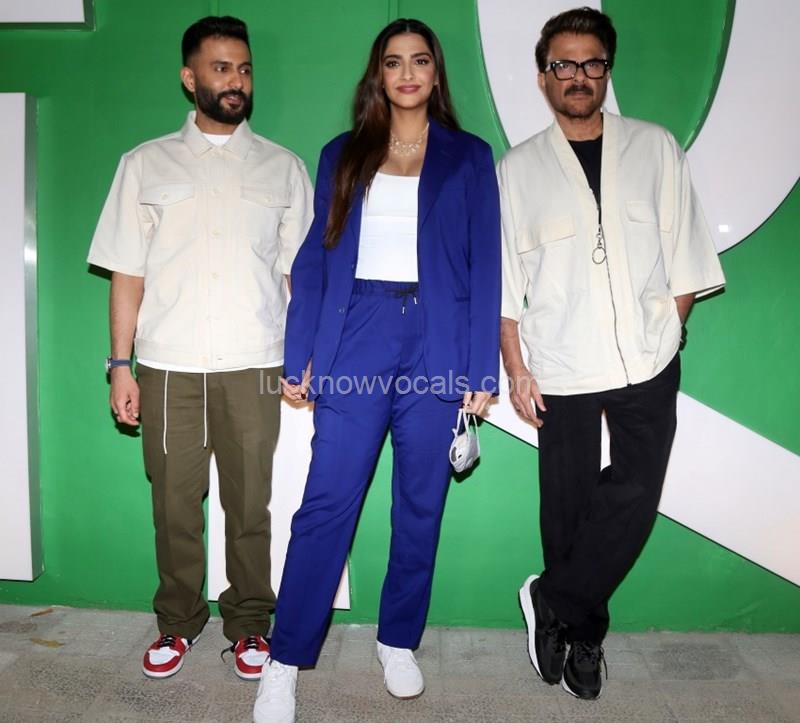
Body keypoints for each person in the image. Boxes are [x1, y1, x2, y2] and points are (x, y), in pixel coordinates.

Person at [253, 18, 501, 723]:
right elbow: (314, 258)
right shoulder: (343, 153)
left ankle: (397, 641)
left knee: (420, 503)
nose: (408, 73)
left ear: (435, 72)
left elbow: (486, 265)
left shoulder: (469, 157)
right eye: (394, 62)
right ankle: (284, 659)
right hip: (356, 332)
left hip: (436, 339)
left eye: (420, 61)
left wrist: (480, 367)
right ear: (379, 74)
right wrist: (299, 352)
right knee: (327, 502)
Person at [498, 7, 725, 701]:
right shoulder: (517, 169)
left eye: (591, 62)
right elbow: (504, 281)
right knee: (565, 506)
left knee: (635, 493)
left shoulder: (656, 149)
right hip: (560, 361)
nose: (579, 76)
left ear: (607, 70)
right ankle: (583, 636)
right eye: (563, 64)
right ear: (544, 77)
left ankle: (554, 598)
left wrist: (669, 327)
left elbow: (687, 253)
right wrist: (516, 368)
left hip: (647, 360)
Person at [87, 16, 312, 681]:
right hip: (168, 368)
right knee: (174, 507)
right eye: (220, 68)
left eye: (243, 68)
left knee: (250, 506)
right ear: (190, 78)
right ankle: (177, 622)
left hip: (255, 363)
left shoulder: (283, 168)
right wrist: (120, 365)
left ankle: (250, 625)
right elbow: (127, 273)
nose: (235, 80)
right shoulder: (144, 165)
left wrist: (306, 355)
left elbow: (302, 277)